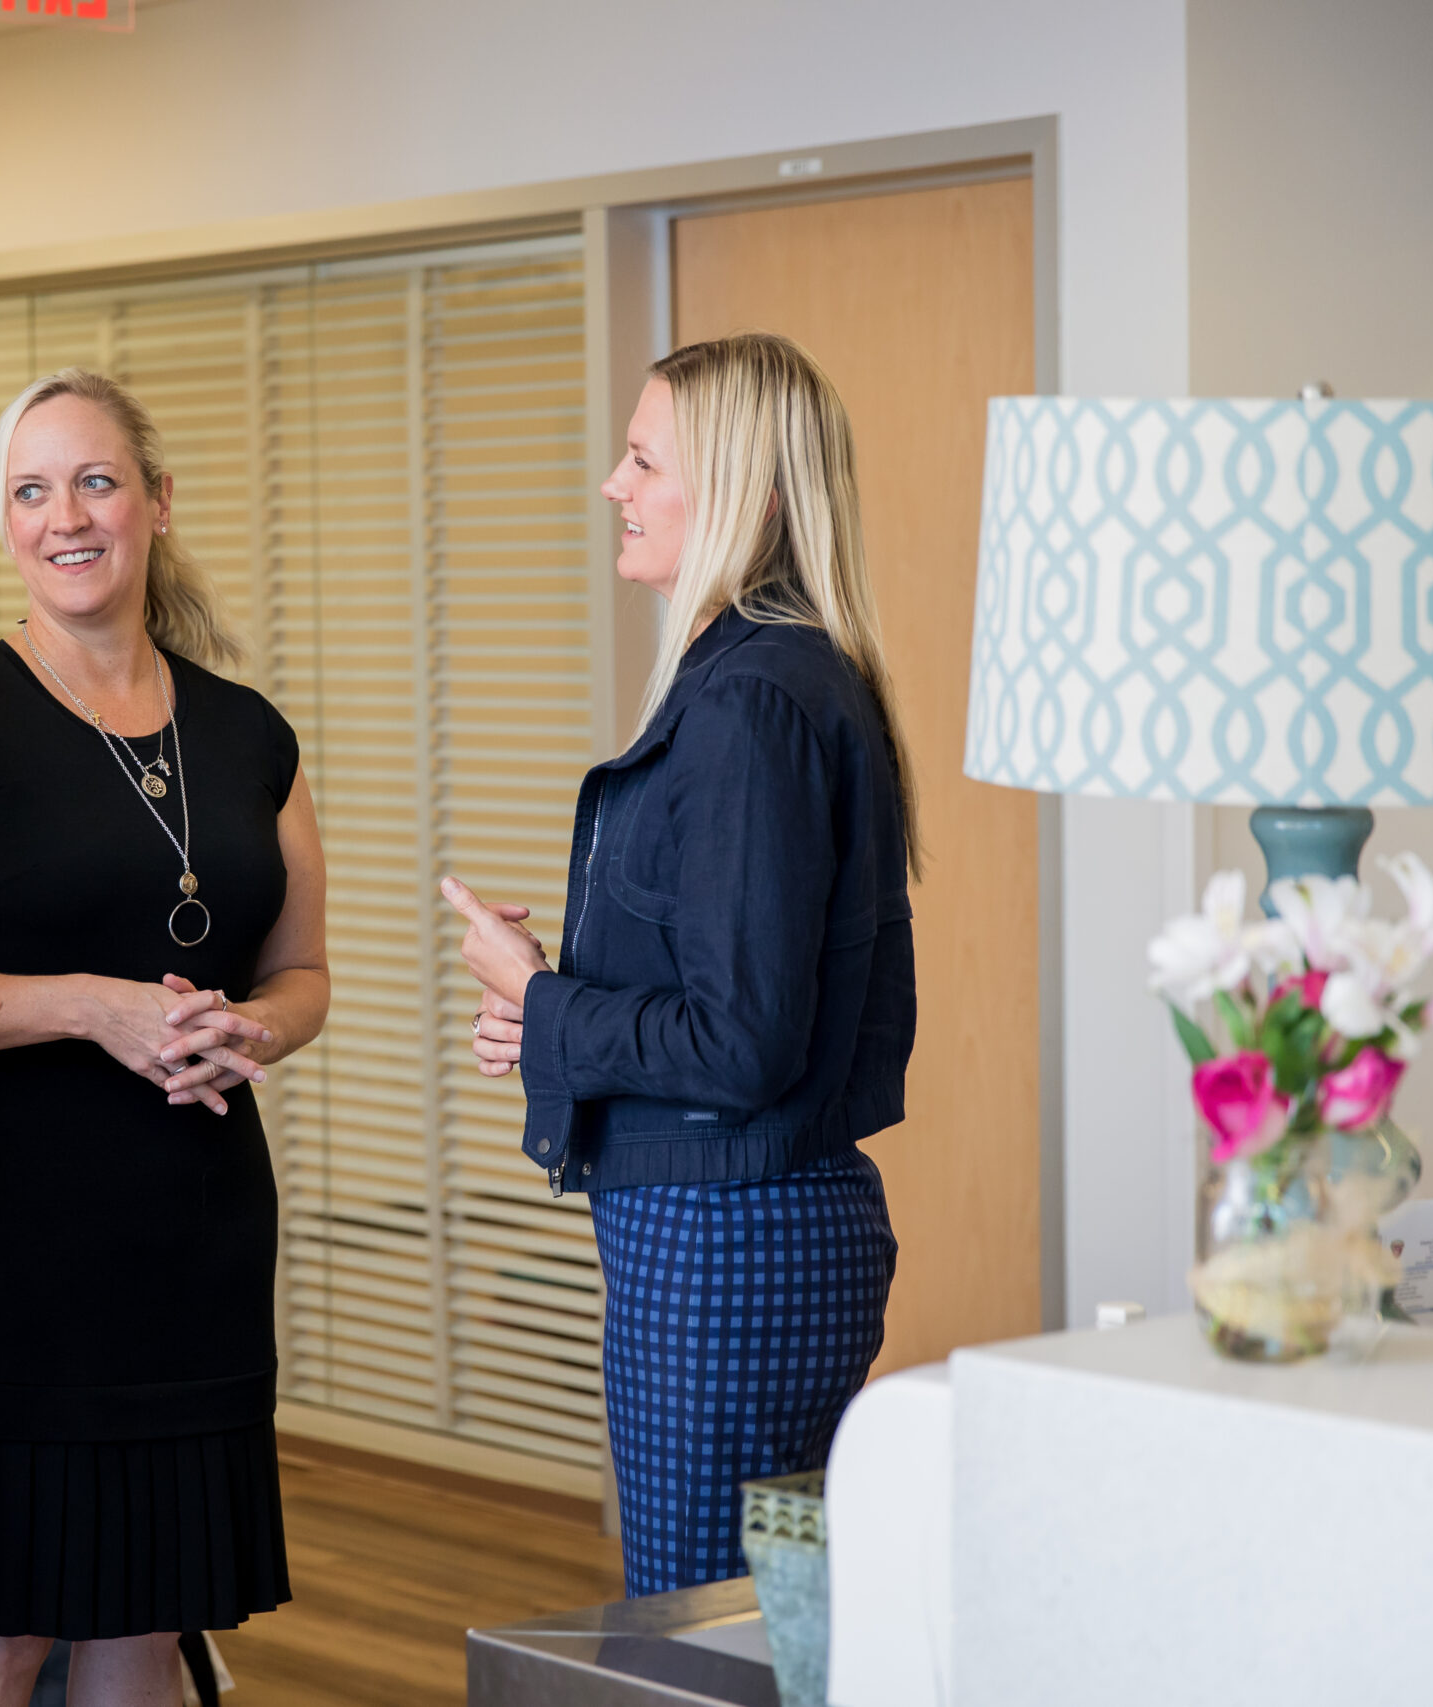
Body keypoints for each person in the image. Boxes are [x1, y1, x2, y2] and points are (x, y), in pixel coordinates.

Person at [0, 368, 330, 1706]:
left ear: (157, 502)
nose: (68, 515)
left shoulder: (248, 734)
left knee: (146, 1618)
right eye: (32, 490)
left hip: (198, 1227)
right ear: (5, 523)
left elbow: (302, 970)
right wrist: (92, 1005)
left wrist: (253, 1031)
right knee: (2, 1620)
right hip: (11, 1244)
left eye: (96, 480)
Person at [446, 332, 918, 1596]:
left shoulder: (752, 702)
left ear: (749, 497)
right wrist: (547, 1011)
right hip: (750, 1232)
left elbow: (739, 1041)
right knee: (781, 1623)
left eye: (644, 458)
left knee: (703, 1631)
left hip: (724, 1248)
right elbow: (732, 983)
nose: (613, 481)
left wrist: (540, 1000)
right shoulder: (778, 678)